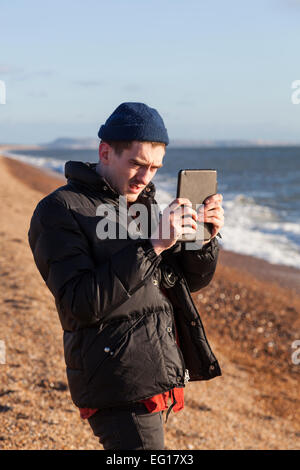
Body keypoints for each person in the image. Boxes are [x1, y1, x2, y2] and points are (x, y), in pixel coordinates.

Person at [28, 102, 224, 450]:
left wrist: (203, 239)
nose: (145, 177)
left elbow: (182, 283)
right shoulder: (58, 211)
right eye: (136, 164)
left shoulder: (142, 205)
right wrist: (152, 247)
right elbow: (78, 303)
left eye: (154, 168)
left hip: (150, 370)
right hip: (116, 379)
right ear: (106, 152)